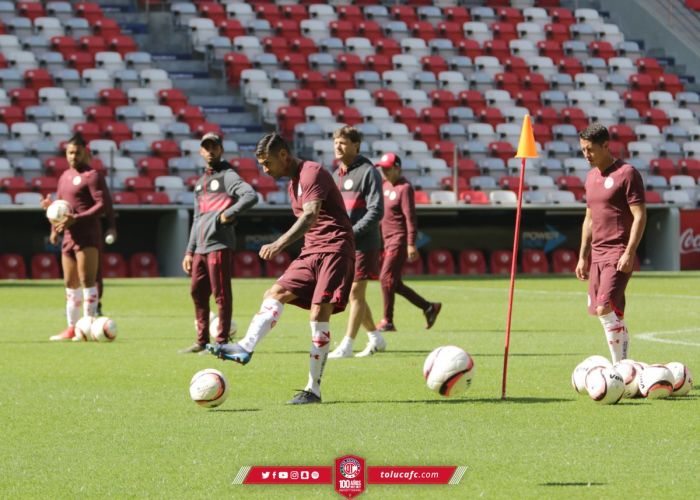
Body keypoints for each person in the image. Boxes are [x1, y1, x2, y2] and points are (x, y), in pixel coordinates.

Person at [207, 133, 355, 405]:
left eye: (267, 163)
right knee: (274, 293)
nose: (265, 170)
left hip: (335, 248)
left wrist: (279, 242)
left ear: (283, 155)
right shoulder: (293, 183)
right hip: (311, 251)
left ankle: (313, 389)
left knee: (318, 313)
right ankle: (245, 347)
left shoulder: (312, 172)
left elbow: (310, 215)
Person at [179, 132, 258, 354]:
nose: (210, 150)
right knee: (197, 292)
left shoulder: (228, 176)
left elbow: (250, 195)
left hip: (219, 244)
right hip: (200, 249)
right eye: (206, 147)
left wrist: (228, 213)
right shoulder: (200, 182)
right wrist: (189, 251)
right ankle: (202, 341)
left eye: (214, 146)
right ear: (201, 151)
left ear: (221, 149)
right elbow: (196, 218)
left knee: (221, 294)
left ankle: (221, 341)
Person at [575, 123, 646, 364]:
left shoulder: (627, 173)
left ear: (606, 146)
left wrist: (629, 252)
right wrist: (583, 256)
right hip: (596, 255)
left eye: (590, 150)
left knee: (603, 310)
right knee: (611, 313)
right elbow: (589, 218)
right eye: (583, 150)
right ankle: (625, 367)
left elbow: (639, 215)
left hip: (617, 253)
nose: (586, 155)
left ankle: (620, 370)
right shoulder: (590, 177)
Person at [42, 134, 114, 341]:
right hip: (68, 234)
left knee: (86, 280)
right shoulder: (64, 176)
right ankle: (72, 328)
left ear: (85, 152)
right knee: (69, 282)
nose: (74, 156)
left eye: (77, 152)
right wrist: (54, 225)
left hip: (87, 234)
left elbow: (102, 205)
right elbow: (60, 204)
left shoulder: (92, 175)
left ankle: (88, 326)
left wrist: (78, 218)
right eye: (70, 152)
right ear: (66, 153)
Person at [327, 126, 386, 359]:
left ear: (356, 145)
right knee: (355, 295)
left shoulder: (368, 172)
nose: (338, 147)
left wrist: (351, 232)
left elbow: (376, 211)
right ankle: (375, 337)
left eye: (343, 142)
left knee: (354, 293)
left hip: (363, 244)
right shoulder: (335, 174)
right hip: (343, 244)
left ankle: (347, 344)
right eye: (335, 143)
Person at [374, 153, 441, 332]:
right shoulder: (384, 185)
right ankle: (429, 307)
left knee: (385, 278)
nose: (384, 171)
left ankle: (387, 321)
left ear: (398, 168)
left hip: (399, 240)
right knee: (394, 284)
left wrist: (411, 243)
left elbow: (410, 218)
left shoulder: (405, 188)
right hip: (387, 241)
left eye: (388, 168)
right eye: (382, 168)